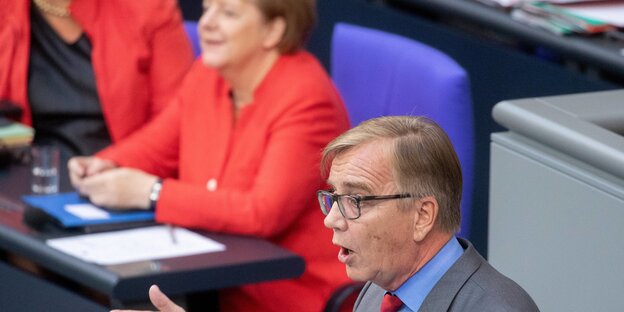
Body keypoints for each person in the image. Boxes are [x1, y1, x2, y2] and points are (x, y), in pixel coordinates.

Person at [69, 0, 350, 311]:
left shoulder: (307, 98)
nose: (206, 23)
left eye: (227, 13)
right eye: (206, 9)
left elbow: (261, 212)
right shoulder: (207, 73)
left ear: (273, 30)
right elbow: (158, 144)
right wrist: (105, 163)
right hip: (210, 279)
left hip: (285, 293)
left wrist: (152, 192)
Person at [318, 116, 539, 312]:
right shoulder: (377, 288)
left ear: (422, 216)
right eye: (335, 195)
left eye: (355, 200)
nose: (331, 220)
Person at [0, 0, 194, 158]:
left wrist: (111, 165)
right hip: (25, 176)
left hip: (118, 180)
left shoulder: (148, 8)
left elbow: (175, 122)